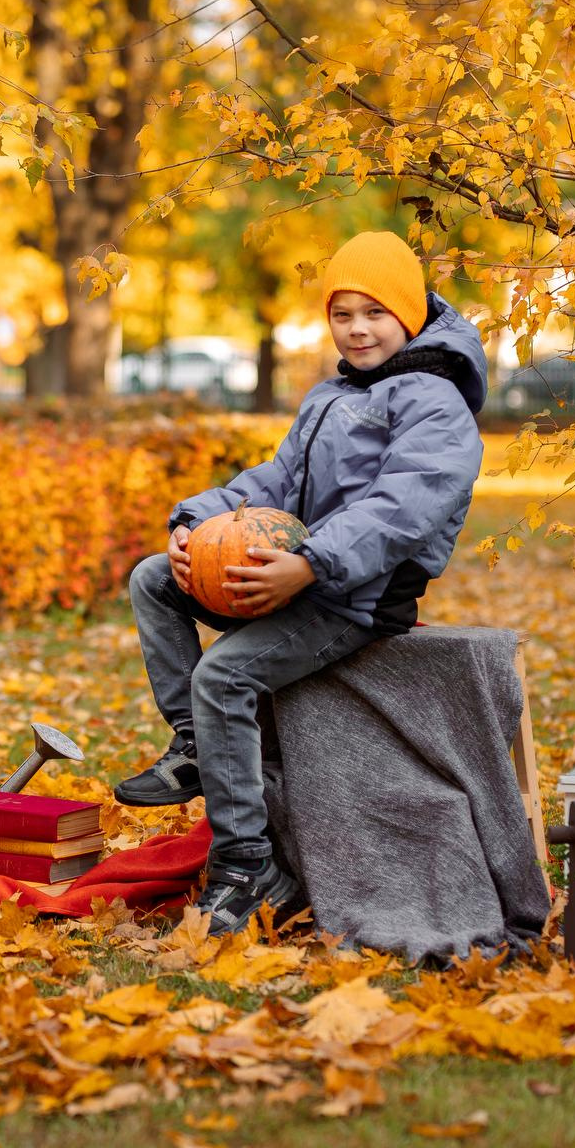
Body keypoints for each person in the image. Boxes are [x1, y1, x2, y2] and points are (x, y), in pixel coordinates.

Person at [114, 231, 488, 935]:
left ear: (408, 314)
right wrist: (197, 522)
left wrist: (310, 564)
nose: (356, 327)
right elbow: (273, 482)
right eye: (342, 313)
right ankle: (196, 744)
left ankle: (247, 866)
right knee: (156, 579)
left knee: (225, 674)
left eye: (374, 311)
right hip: (300, 575)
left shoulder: (434, 402)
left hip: (356, 596)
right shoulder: (331, 396)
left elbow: (402, 509)